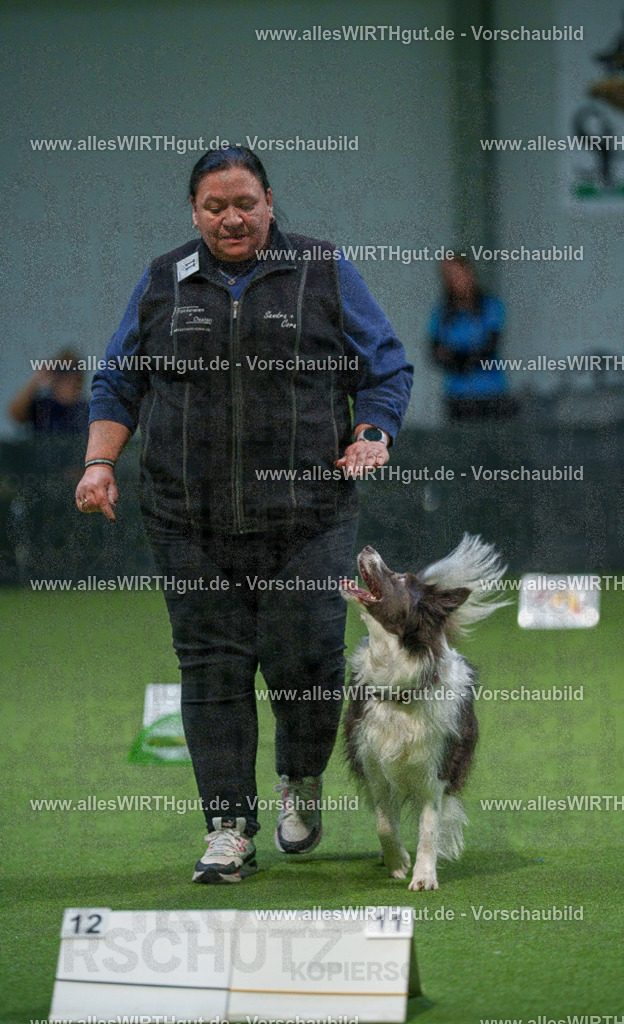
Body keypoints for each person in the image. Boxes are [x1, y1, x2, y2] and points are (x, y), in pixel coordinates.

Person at [75, 145, 413, 883]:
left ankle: (299, 778)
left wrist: (372, 430)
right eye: (214, 207)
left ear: (268, 202)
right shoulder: (165, 280)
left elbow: (385, 364)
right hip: (186, 517)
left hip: (308, 515)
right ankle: (228, 826)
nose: (231, 218)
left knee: (307, 662)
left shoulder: (322, 270)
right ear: (194, 213)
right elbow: (117, 378)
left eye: (245, 203)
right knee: (212, 670)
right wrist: (100, 463)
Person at [429, 255, 516, 419]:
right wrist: (469, 355)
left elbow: (488, 349)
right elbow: (434, 353)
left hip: (491, 394)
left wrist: (455, 357)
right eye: (450, 276)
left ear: (470, 273)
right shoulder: (441, 313)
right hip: (457, 396)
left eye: (459, 274)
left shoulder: (490, 306)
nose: (457, 281)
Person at [9, 349, 89, 433]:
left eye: (75, 371)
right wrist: (36, 381)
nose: (71, 380)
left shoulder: (87, 411)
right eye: (64, 371)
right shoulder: (43, 407)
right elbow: (16, 414)